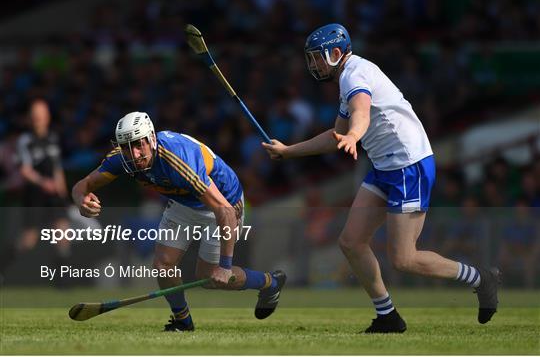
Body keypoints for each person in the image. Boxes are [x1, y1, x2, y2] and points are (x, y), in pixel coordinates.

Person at [262, 24, 500, 333]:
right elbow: (337, 134)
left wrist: (355, 136)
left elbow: (360, 113)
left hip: (407, 165)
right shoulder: (347, 77)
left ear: (336, 54)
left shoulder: (354, 75)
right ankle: (388, 316)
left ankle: (481, 278)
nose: (313, 65)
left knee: (404, 258)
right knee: (351, 241)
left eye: (317, 58)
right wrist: (290, 151)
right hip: (385, 166)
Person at [72, 112, 286, 332]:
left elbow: (225, 211)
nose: (133, 154)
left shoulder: (178, 159)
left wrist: (225, 266)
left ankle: (270, 282)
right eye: (126, 147)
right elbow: (82, 185)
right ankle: (182, 321)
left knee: (210, 277)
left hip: (224, 204)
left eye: (138, 145)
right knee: (162, 265)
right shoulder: (121, 158)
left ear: (151, 139)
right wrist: (81, 200)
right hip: (184, 203)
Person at [0, 99, 71, 278]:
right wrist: (42, 182)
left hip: (54, 195)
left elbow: (57, 169)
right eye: (35, 115)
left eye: (41, 114)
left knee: (62, 235)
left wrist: (64, 196)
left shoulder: (53, 138)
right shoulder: (26, 140)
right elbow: (24, 170)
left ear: (47, 117)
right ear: (30, 118)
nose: (38, 118)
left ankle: (62, 283)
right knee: (28, 240)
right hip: (35, 194)